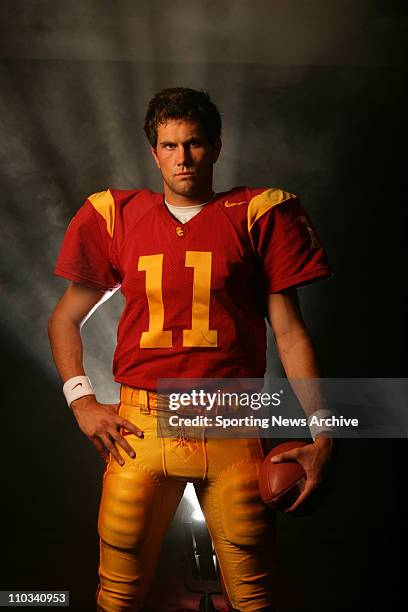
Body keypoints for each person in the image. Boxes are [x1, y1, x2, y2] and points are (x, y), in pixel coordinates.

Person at [48, 87, 333, 612]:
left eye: (195, 143)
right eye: (170, 145)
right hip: (143, 425)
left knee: (255, 594)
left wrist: (324, 431)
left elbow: (290, 332)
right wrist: (82, 401)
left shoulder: (257, 215)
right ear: (153, 152)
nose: (182, 158)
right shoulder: (117, 216)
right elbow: (65, 317)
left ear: (217, 146)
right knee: (117, 593)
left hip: (232, 425)